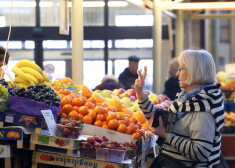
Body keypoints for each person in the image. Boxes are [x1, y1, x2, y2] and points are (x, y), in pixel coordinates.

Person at [135, 49, 224, 168]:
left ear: (194, 72)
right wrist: (140, 94)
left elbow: (201, 152)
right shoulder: (186, 99)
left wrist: (166, 135)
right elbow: (158, 121)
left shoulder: (202, 109)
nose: (177, 73)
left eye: (181, 69)